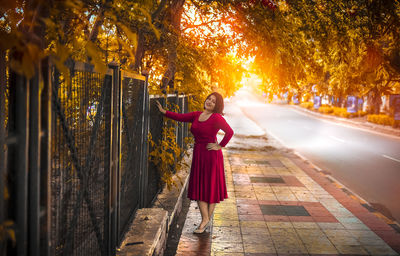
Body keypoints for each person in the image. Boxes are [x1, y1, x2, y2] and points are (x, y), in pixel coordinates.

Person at [156, 92, 234, 233]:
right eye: (209, 99)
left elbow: (230, 132)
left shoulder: (216, 117)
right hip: (199, 154)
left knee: (210, 187)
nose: (209, 102)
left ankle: (204, 220)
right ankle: (205, 220)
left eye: (213, 101)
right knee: (200, 187)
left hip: (211, 156)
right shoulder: (197, 115)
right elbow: (180, 117)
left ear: (217, 106)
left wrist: (219, 145)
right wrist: (164, 112)